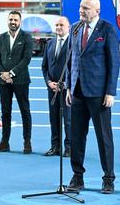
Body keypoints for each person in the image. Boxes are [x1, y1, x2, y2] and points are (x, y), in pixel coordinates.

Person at [65, 0, 120, 194]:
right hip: (77, 91)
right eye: (80, 7)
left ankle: (108, 178)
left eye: (86, 8)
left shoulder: (108, 29)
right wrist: (69, 88)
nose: (81, 10)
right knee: (76, 136)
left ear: (97, 10)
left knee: (104, 138)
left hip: (98, 94)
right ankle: (77, 176)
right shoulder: (75, 28)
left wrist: (110, 92)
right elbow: (71, 60)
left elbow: (114, 63)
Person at [0, 11, 33, 154]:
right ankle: (4, 142)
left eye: (15, 20)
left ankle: (27, 142)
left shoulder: (26, 37)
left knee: (25, 112)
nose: (13, 22)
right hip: (3, 81)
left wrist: (12, 73)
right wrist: (3, 73)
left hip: (20, 80)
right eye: (10, 19)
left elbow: (26, 59)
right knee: (5, 112)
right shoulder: (1, 37)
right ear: (7, 21)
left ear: (20, 21)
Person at [41, 16, 71, 157]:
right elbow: (45, 66)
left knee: (68, 119)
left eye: (62, 25)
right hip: (52, 89)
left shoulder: (74, 43)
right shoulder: (50, 43)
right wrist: (48, 82)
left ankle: (69, 147)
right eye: (57, 25)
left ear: (68, 27)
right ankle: (55, 146)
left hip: (67, 90)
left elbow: (77, 68)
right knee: (54, 118)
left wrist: (66, 84)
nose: (58, 27)